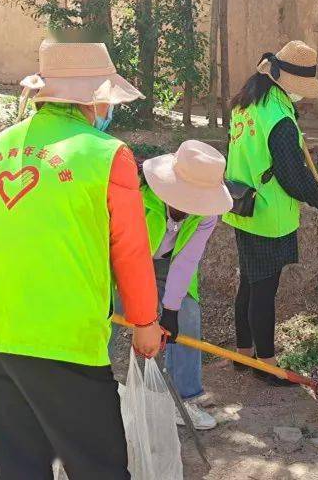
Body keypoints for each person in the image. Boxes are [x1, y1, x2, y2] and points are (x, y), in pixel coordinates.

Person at [0, 40, 164, 479]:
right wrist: (145, 322)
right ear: (94, 98)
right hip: (60, 336)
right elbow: (129, 249)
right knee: (99, 468)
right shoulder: (107, 155)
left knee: (21, 468)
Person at [221, 40, 318, 386]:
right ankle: (266, 364)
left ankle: (243, 354)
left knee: (250, 283)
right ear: (290, 84)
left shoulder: (247, 104)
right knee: (264, 289)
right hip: (268, 214)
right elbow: (292, 176)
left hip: (241, 203)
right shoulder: (280, 119)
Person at [116, 140, 232, 430]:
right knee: (109, 313)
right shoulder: (138, 197)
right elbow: (127, 252)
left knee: (187, 317)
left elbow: (186, 261)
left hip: (169, 264)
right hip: (124, 262)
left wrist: (170, 309)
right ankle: (91, 389)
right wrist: (143, 312)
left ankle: (184, 399)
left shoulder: (208, 214)